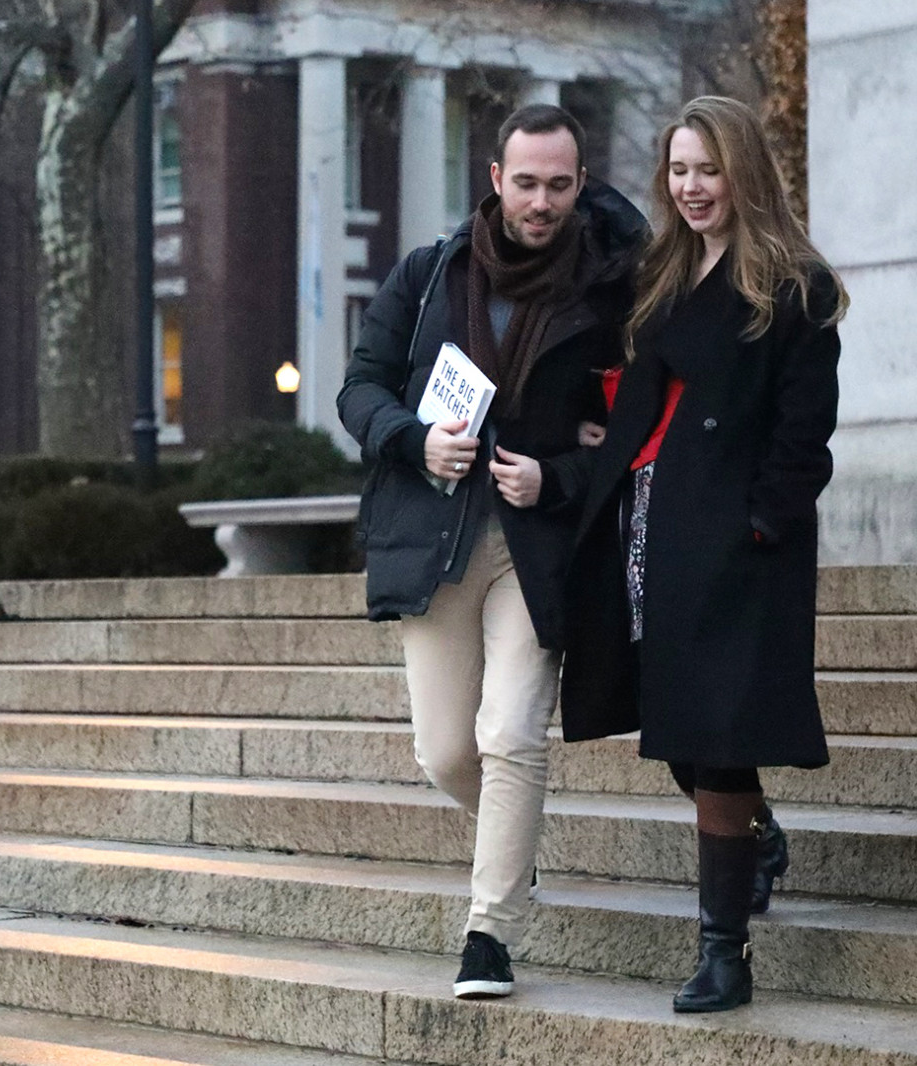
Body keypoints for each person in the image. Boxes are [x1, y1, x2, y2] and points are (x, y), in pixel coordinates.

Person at [339, 104, 644, 999]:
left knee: (510, 733)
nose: (541, 202)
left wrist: (560, 477)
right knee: (444, 753)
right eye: (526, 183)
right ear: (494, 177)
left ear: (581, 184)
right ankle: (510, 855)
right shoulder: (431, 273)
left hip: (536, 546)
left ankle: (490, 932)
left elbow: (633, 425)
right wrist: (413, 437)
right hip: (435, 537)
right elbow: (359, 388)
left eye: (559, 184)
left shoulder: (610, 286)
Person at [556, 95, 848, 1013]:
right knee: (677, 724)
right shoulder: (661, 277)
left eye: (708, 168)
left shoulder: (793, 287)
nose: (690, 188)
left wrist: (759, 524)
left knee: (716, 741)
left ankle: (725, 954)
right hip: (646, 526)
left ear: (745, 173)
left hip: (736, 544)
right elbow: (591, 233)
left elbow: (806, 437)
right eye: (678, 170)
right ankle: (756, 835)